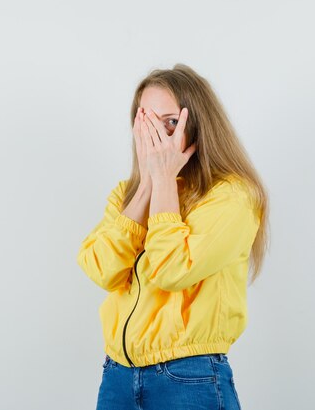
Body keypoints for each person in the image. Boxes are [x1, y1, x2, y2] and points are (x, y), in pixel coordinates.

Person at [76, 63, 269, 410]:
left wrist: (163, 179)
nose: (156, 138)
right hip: (117, 376)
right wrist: (148, 186)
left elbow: (171, 269)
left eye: (168, 123)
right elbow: (100, 269)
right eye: (146, 122)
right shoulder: (126, 195)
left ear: (196, 125)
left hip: (188, 377)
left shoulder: (232, 196)